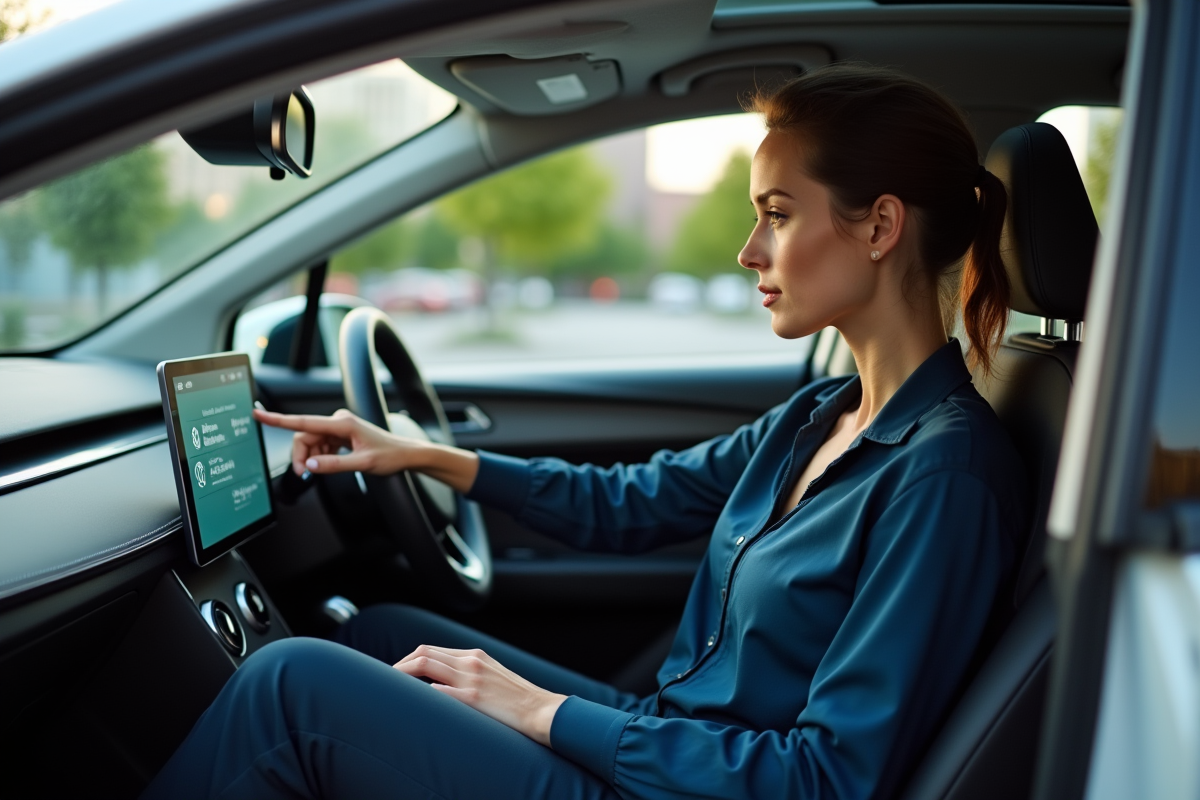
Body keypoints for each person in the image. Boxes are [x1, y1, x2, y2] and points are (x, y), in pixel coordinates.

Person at [143, 64, 1029, 800]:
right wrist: (415, 453)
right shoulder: (819, 416)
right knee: (380, 635)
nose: (748, 249)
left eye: (779, 212)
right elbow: (629, 503)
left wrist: (542, 713)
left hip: (694, 786)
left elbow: (828, 779)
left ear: (878, 226)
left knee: (290, 688)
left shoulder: (945, 474)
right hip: (667, 740)